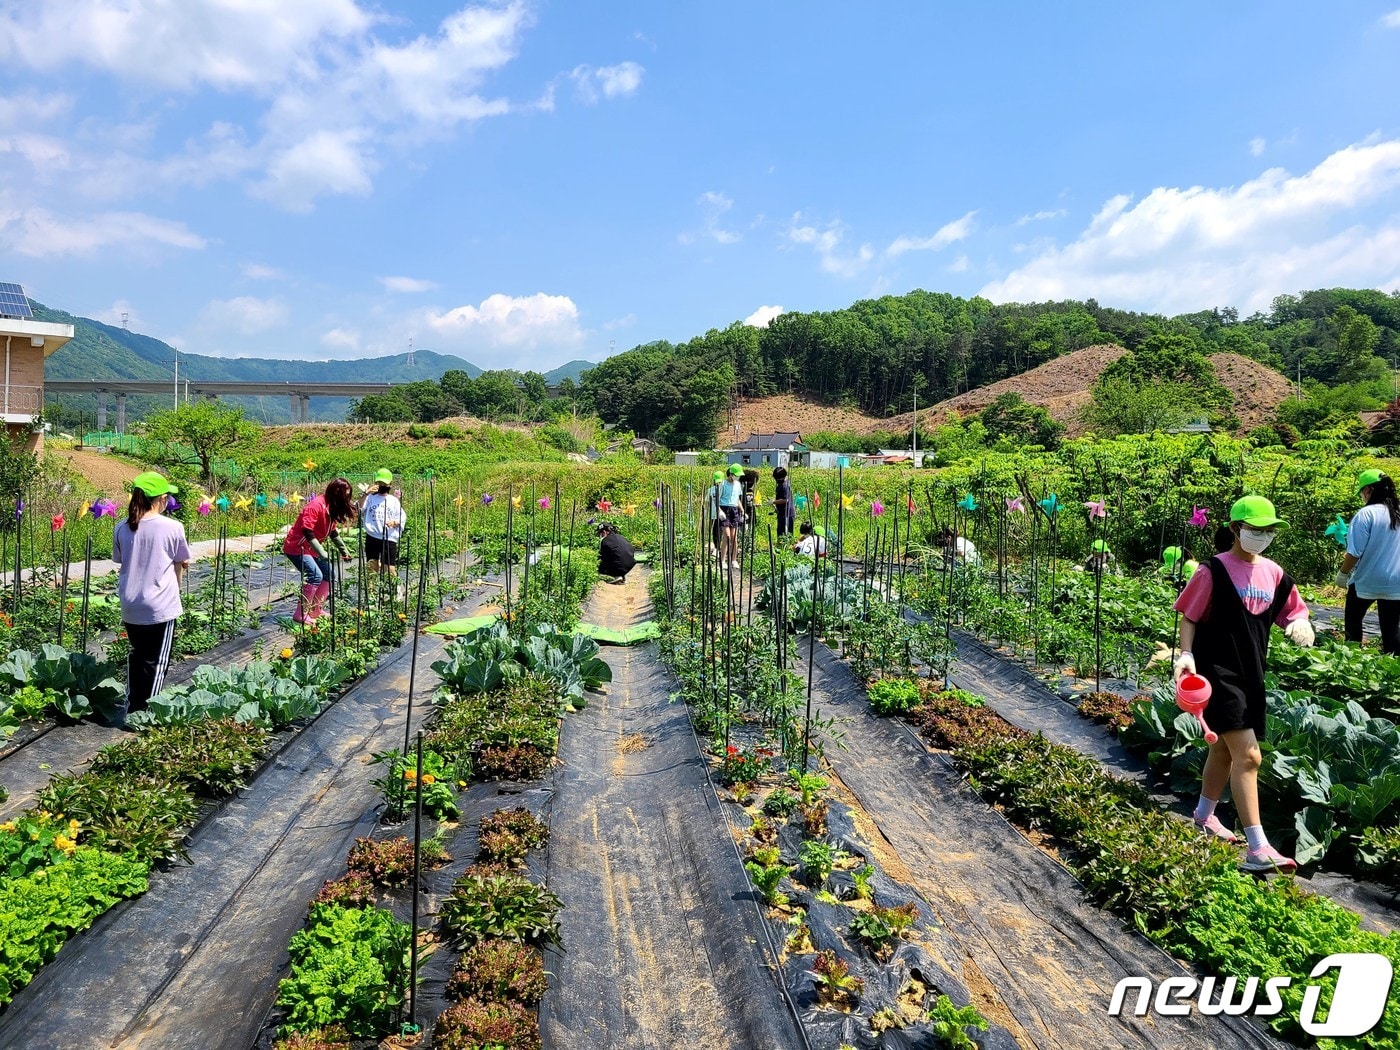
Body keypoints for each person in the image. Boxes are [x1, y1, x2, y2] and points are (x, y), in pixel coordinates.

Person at [1172, 494, 1315, 873]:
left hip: (1253, 676)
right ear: (1236, 529)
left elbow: (1292, 610)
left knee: (1222, 750)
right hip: (1218, 674)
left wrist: (1300, 623)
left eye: (1269, 531)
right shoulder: (1212, 571)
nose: (1263, 536)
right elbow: (1189, 616)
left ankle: (1204, 816)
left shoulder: (1275, 574)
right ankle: (1257, 847)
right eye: (1256, 529)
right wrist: (1185, 654)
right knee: (1249, 757)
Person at [111, 472, 192, 729]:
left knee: (138, 656)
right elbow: (181, 562)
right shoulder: (172, 527)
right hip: (159, 605)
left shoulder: (122, 527)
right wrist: (177, 588)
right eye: (167, 497)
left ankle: (132, 708)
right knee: (157, 662)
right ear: (162, 498)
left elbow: (122, 560)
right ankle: (146, 715)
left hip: (130, 603)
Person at [1337, 469, 1400, 654]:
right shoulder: (1397, 513)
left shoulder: (1366, 514)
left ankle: (1352, 657)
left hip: (1367, 579)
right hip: (1396, 582)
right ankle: (1393, 665)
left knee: (1353, 621)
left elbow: (1354, 552)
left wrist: (1343, 573)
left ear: (1368, 490)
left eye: (1362, 492)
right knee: (1391, 629)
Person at [284, 477, 356, 623]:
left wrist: (343, 550)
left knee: (329, 574)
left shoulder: (331, 506)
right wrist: (321, 551)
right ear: (336, 493)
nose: (346, 499)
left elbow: (332, 531)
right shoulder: (316, 505)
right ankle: (301, 613)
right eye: (345, 495)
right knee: (315, 575)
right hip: (297, 547)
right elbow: (307, 530)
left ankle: (315, 610)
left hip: (311, 549)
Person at [361, 468, 405, 585]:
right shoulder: (370, 498)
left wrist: (394, 522)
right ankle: (371, 591)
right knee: (372, 566)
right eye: (379, 483)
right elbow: (359, 509)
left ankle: (395, 590)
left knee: (389, 569)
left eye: (384, 483)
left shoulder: (393, 500)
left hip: (389, 537)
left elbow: (401, 517)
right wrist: (366, 493)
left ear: (390, 484)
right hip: (372, 536)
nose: (381, 486)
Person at [718, 463, 745, 570]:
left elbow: (737, 499)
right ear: (731, 474)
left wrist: (742, 510)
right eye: (736, 475)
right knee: (727, 536)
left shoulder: (738, 484)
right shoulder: (723, 484)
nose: (737, 477)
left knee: (734, 537)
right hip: (724, 509)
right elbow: (717, 499)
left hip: (734, 510)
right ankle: (722, 561)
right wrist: (719, 511)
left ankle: (734, 560)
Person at [705, 470, 724, 556]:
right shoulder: (711, 490)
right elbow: (707, 503)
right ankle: (717, 548)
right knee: (717, 531)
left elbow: (707, 503)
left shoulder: (712, 490)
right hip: (715, 514)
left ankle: (718, 548)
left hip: (719, 514)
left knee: (717, 531)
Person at [773, 466, 795, 537]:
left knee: (785, 533)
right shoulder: (780, 485)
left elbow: (785, 500)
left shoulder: (784, 486)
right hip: (782, 512)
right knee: (780, 532)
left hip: (787, 513)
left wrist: (773, 502)